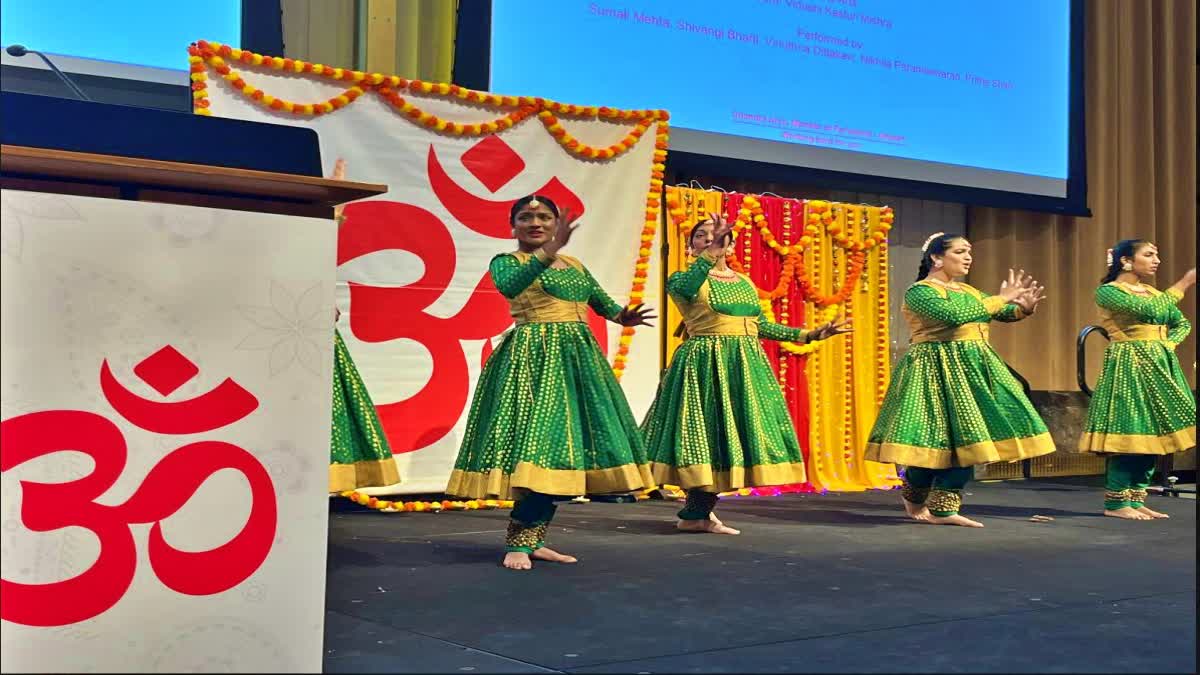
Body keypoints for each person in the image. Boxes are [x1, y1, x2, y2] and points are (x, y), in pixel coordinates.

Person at [445, 194, 656, 570]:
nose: (536, 223)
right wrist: (548, 252)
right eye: (526, 217)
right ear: (513, 226)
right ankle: (518, 541)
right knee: (537, 448)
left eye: (544, 217)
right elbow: (511, 287)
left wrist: (624, 317)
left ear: (556, 223)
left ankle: (535, 538)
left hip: (579, 363)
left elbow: (603, 305)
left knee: (564, 453)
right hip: (533, 360)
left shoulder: (574, 265)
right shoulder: (508, 262)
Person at [641, 213, 851, 535]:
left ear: (731, 243)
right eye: (702, 236)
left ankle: (697, 513)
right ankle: (696, 511)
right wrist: (711, 253)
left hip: (742, 366)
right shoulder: (683, 279)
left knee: (730, 440)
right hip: (704, 363)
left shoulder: (744, 282)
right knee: (704, 438)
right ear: (690, 246)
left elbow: (761, 326)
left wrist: (810, 334)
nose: (711, 239)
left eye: (718, 235)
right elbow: (685, 289)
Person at [865, 232, 1054, 527]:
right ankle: (914, 495)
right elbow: (954, 315)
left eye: (969, 252)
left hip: (974, 370)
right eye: (960, 251)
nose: (968, 257)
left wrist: (1023, 308)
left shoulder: (969, 291)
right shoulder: (921, 292)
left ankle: (943, 507)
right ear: (937, 258)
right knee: (934, 445)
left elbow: (1003, 313)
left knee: (973, 442)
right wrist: (1000, 298)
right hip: (934, 369)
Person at [1078, 239, 1196, 520]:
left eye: (1157, 254)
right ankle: (1116, 503)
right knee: (1131, 430)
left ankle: (1136, 497)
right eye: (1149, 254)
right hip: (1129, 364)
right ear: (1125, 261)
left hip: (1160, 364)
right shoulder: (1109, 292)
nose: (1157, 260)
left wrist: (1168, 345)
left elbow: (1182, 323)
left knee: (1154, 433)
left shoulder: (1152, 292)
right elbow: (1154, 312)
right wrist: (1184, 282)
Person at [327, 159, 401, 493]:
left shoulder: (311, 233)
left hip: (313, 332)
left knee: (328, 419)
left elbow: (325, 232)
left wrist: (333, 199)